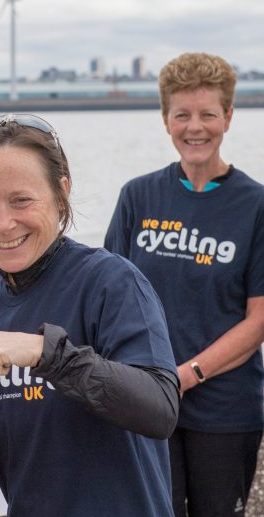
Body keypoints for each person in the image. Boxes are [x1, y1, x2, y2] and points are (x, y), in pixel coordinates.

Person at [0, 113, 180, 516]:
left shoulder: (110, 282)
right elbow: (4, 460)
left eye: (21, 200)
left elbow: (160, 409)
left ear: (61, 194)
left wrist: (47, 353)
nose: (3, 223)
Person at [104, 53, 264, 516]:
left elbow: (258, 320)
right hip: (146, 403)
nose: (195, 128)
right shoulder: (138, 196)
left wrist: (186, 375)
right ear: (165, 119)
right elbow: (109, 296)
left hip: (226, 410)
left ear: (228, 117)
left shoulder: (255, 206)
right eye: (182, 115)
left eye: (208, 114)